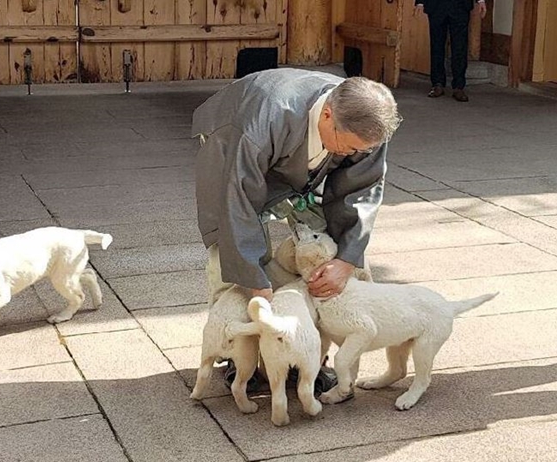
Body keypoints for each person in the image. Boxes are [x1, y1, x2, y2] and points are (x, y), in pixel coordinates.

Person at [192, 68, 401, 393]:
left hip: (309, 163)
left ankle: (308, 352)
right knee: (228, 251)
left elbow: (362, 191)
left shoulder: (366, 127)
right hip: (230, 141)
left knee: (329, 247)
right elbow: (239, 202)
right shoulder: (263, 120)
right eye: (347, 148)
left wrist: (346, 260)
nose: (352, 155)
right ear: (328, 115)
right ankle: (236, 352)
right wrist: (257, 290)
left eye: (359, 150)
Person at [415, 0, 487, 102]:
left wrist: (481, 1)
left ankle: (458, 86)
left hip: (460, 6)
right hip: (437, 6)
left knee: (460, 47)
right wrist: (420, 2)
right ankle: (437, 84)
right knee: (436, 45)